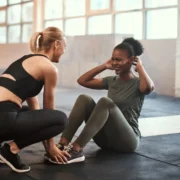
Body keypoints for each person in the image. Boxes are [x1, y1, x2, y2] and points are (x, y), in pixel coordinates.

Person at [44, 37, 154, 164]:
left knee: (105, 102)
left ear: (131, 60)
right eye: (113, 59)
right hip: (105, 140)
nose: (114, 63)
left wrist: (139, 67)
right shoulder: (111, 81)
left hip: (127, 142)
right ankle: (62, 145)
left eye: (118, 60)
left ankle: (76, 149)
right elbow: (82, 81)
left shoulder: (138, 83)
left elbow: (148, 88)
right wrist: (104, 66)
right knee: (84, 98)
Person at [0, 26, 70, 173]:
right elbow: (48, 110)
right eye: (64, 46)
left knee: (26, 111)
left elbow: (36, 110)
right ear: (56, 44)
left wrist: (41, 128)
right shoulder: (49, 68)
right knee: (61, 119)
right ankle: (10, 150)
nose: (64, 51)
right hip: (4, 117)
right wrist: (51, 148)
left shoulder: (26, 60)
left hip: (4, 116)